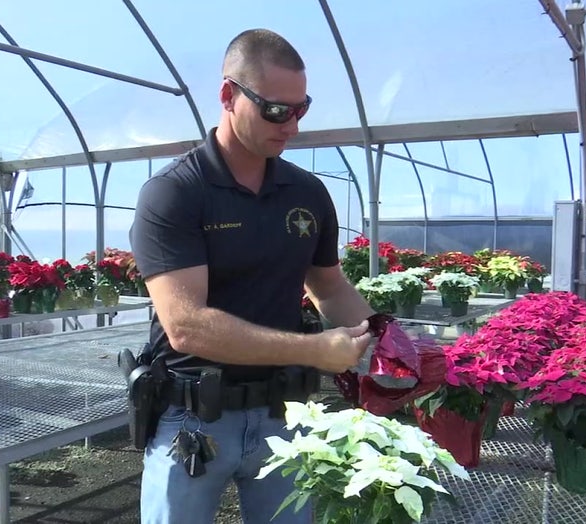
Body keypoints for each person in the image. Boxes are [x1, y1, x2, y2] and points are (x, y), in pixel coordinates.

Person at [129, 28, 377, 523]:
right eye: (276, 110)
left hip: (284, 415)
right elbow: (186, 326)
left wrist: (394, 343)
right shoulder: (176, 193)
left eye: (300, 109)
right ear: (228, 95)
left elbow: (327, 284)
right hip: (194, 419)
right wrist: (315, 350)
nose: (292, 126)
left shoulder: (305, 193)